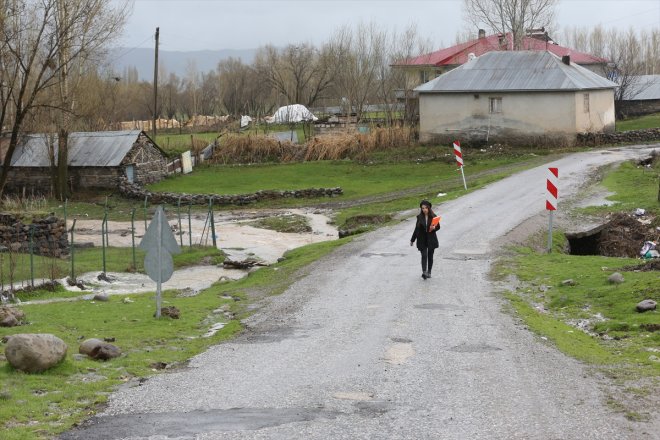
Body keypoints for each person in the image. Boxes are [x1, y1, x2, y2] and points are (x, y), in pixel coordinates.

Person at [410, 200, 440, 280]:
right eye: (423, 208)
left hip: (431, 239)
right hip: (422, 239)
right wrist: (412, 240)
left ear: (429, 208)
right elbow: (416, 229)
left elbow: (438, 227)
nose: (424, 209)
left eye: (426, 208)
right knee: (424, 255)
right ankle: (424, 272)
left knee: (430, 256)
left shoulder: (434, 216)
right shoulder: (419, 217)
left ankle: (429, 272)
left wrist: (434, 228)